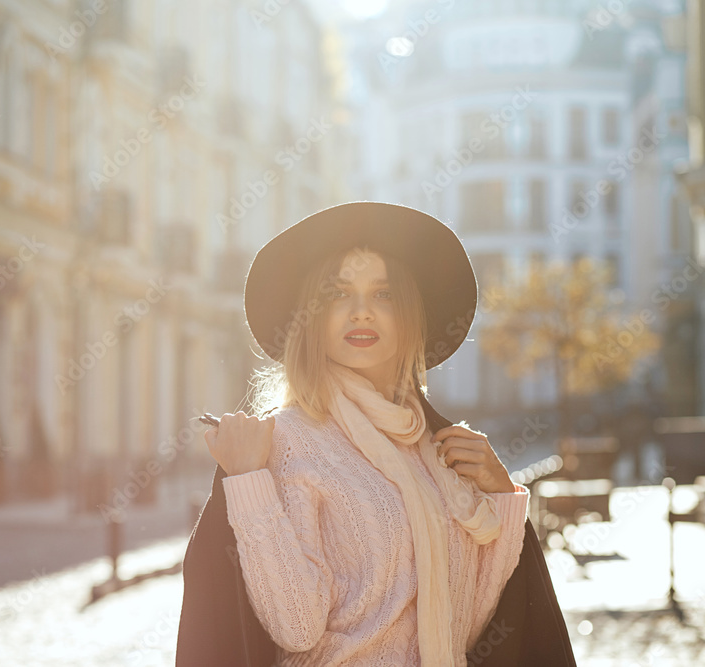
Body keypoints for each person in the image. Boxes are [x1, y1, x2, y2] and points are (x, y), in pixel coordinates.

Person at [175, 202, 576, 666]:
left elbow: (471, 626)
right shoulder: (287, 443)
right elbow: (297, 628)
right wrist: (247, 484)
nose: (361, 312)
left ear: (410, 314)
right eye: (338, 295)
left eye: (383, 295)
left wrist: (503, 497)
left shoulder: (438, 448)